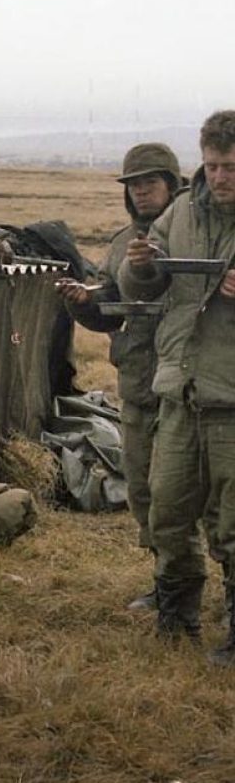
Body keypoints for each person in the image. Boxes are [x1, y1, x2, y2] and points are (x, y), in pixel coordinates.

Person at [56, 143, 203, 611]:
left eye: (150, 183)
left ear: (172, 184)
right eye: (133, 185)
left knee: (190, 497)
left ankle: (191, 589)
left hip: (193, 386)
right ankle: (167, 584)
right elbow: (111, 312)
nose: (141, 192)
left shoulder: (195, 236)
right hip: (140, 384)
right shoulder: (123, 243)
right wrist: (82, 304)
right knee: (142, 490)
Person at [118, 110, 235, 662]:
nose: (219, 177)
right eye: (212, 166)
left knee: (234, 526)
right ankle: (176, 618)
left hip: (233, 399)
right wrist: (142, 265)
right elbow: (141, 285)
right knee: (167, 512)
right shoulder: (183, 212)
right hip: (181, 390)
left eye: (230, 167)